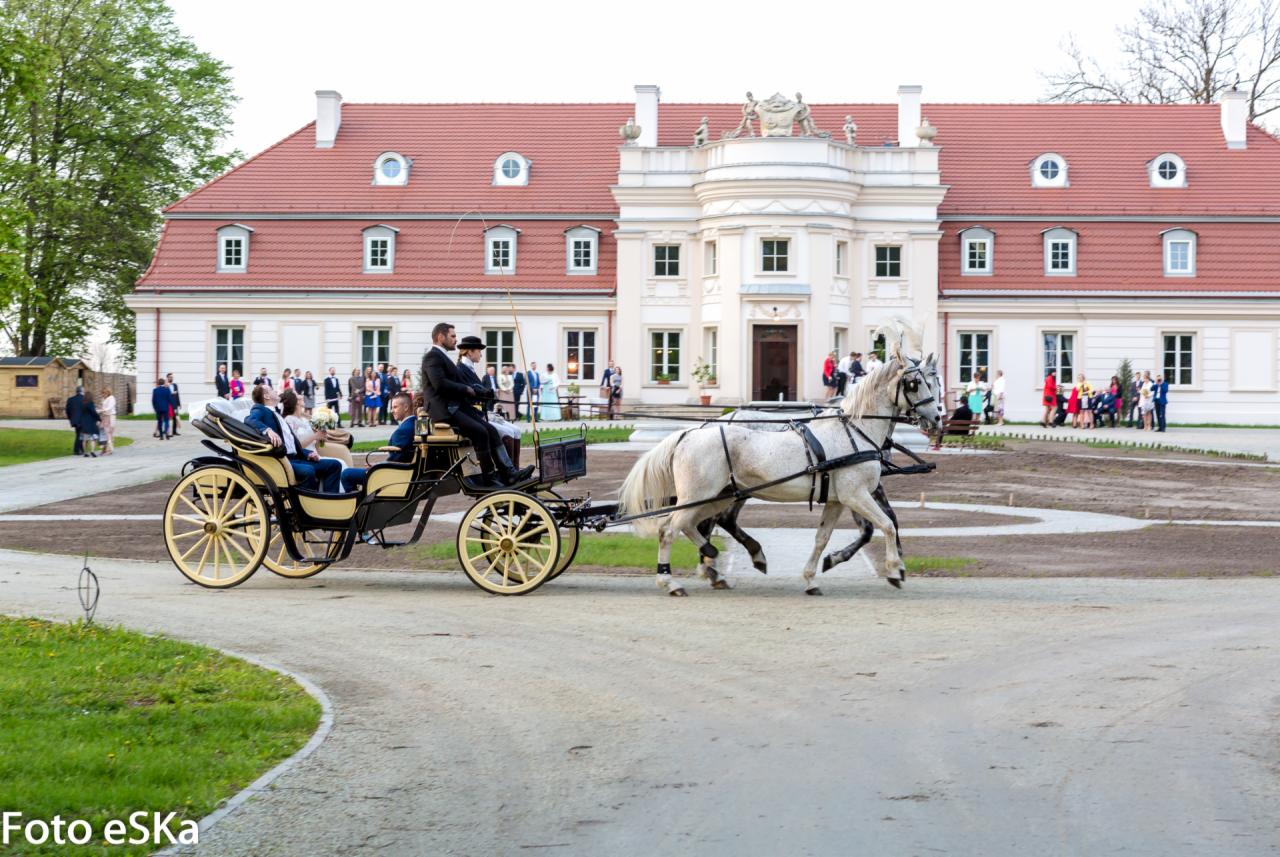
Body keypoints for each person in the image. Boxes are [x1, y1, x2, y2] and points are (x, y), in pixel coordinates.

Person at [422, 323, 533, 487]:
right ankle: (488, 478)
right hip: (443, 410)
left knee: (491, 430)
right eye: (452, 336)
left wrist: (481, 392)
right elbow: (440, 384)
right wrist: (467, 389)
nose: (455, 339)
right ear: (440, 337)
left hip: (455, 406)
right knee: (480, 432)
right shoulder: (433, 356)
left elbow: (458, 383)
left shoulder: (444, 357)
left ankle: (509, 473)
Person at [244, 384, 341, 492]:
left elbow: (290, 443)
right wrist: (268, 430)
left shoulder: (276, 413)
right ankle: (308, 506)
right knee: (308, 471)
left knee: (334, 465)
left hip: (297, 458)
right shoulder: (261, 409)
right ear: (266, 396)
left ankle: (328, 500)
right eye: (272, 390)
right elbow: (249, 419)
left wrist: (307, 453)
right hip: (284, 461)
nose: (276, 391)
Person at [457, 336, 522, 467]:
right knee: (508, 432)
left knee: (516, 430)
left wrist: (488, 395)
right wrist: (485, 393)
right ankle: (508, 471)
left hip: (483, 413)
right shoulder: (460, 369)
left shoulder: (469, 368)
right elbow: (469, 393)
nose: (481, 354)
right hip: (474, 415)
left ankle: (515, 468)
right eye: (479, 351)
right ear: (470, 352)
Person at [340, 391, 418, 492]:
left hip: (393, 475)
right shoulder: (413, 423)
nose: (391, 411)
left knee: (346, 474)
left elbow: (395, 459)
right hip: (401, 471)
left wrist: (377, 466)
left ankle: (357, 504)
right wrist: (378, 464)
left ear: (406, 407)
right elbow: (397, 457)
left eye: (395, 407)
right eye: (392, 407)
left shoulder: (404, 429)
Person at [65, 386, 86, 455]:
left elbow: (67, 410)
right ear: (82, 391)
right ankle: (77, 450)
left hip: (74, 420)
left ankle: (80, 449)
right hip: (83, 420)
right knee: (80, 434)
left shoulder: (70, 399)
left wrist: (70, 418)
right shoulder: (85, 399)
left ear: (76, 391)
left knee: (78, 434)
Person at [99, 386, 117, 454]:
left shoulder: (111, 398)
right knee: (104, 433)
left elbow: (110, 407)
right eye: (102, 393)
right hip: (105, 416)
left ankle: (109, 449)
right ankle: (105, 449)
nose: (103, 394)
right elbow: (103, 406)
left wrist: (102, 410)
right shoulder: (103, 398)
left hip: (111, 416)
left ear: (108, 393)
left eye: (104, 393)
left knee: (109, 433)